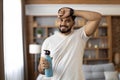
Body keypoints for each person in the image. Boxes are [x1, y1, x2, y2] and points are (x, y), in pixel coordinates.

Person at [37, 7, 102, 80]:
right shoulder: (48, 41)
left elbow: (97, 17)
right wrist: (42, 67)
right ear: (57, 22)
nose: (63, 23)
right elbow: (41, 70)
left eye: (67, 21)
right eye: (61, 20)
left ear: (73, 23)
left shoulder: (80, 35)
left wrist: (72, 12)